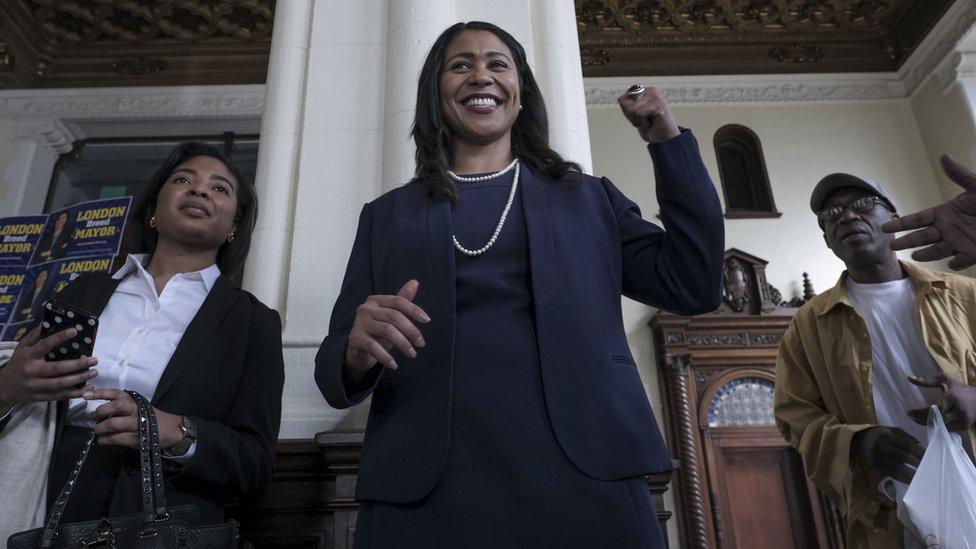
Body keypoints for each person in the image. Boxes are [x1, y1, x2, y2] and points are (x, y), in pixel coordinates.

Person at [315, 21, 724, 548]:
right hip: (425, 483)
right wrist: (354, 350)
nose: (479, 75)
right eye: (460, 65)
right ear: (434, 93)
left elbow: (693, 283)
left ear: (521, 90)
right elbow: (333, 373)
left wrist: (667, 141)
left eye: (497, 63)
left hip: (585, 467)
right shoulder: (387, 216)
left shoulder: (589, 199)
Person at [0, 141, 285, 538]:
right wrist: (7, 388)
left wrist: (175, 431)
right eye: (183, 180)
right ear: (153, 210)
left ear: (234, 226)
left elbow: (254, 463)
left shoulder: (253, 322)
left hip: (166, 520)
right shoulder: (82, 292)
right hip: (48, 504)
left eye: (220, 188)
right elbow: (24, 385)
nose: (199, 190)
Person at [774, 172, 976, 548]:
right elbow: (794, 417)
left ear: (894, 218)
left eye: (863, 205)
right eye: (832, 213)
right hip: (889, 512)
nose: (847, 216)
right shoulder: (809, 324)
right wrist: (857, 442)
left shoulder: (964, 296)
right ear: (826, 239)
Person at [883, 153, 976, 269]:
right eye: (851, 208)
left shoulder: (966, 287)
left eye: (864, 202)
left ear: (893, 217)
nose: (852, 215)